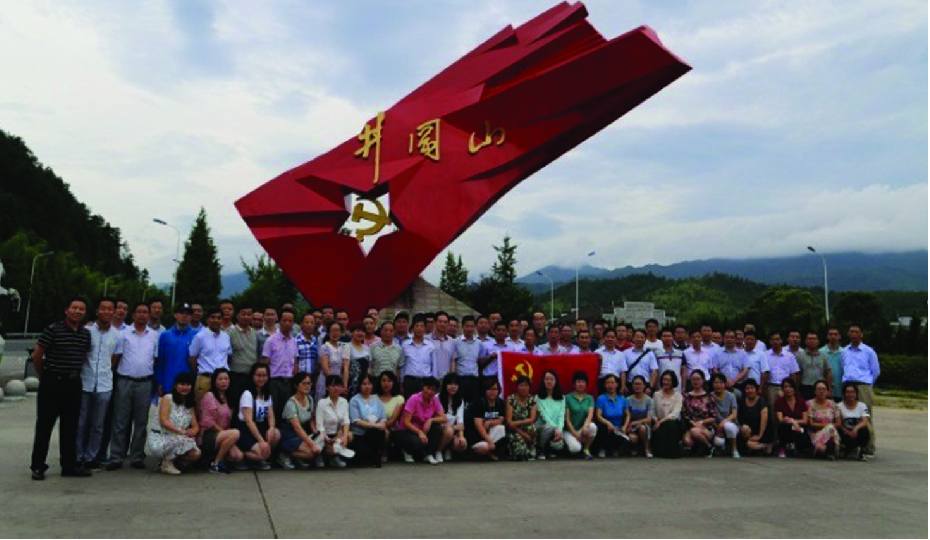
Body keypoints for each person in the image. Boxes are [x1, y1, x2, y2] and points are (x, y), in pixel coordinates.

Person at [30, 296, 93, 480]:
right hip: (52, 382)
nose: (78, 311)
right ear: (67, 310)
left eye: (81, 309)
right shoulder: (53, 329)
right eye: (74, 308)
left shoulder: (85, 334)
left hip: (73, 384)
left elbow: (83, 356)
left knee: (70, 427)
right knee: (44, 426)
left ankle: (69, 466)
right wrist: (44, 376)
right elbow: (37, 355)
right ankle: (38, 466)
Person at [106, 302, 158, 471]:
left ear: (149, 315)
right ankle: (116, 456)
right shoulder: (123, 334)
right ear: (133, 315)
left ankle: (136, 456)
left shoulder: (154, 335)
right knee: (120, 421)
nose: (142, 315)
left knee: (141, 422)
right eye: (139, 312)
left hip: (145, 382)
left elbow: (155, 359)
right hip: (125, 381)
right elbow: (116, 357)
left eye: (145, 312)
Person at [77, 297, 120, 470]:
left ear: (114, 312)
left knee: (98, 424)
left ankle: (91, 457)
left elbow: (114, 359)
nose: (107, 312)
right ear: (97, 311)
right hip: (85, 382)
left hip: (104, 385)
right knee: (81, 423)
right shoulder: (86, 331)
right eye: (103, 308)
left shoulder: (118, 335)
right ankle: (77, 455)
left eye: (110, 309)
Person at [145, 372, 202, 475]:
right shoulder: (168, 398)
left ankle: (173, 462)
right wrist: (182, 432)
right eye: (182, 384)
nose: (185, 387)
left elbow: (195, 426)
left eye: (188, 385)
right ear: (176, 385)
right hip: (161, 437)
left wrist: (192, 431)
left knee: (196, 453)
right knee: (182, 440)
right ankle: (167, 463)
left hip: (179, 437)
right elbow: (164, 421)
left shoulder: (189, 404)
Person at [841, 325, 879, 456]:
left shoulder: (869, 351)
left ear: (861, 334)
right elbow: (843, 367)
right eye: (851, 331)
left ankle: (868, 447)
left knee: (865, 416)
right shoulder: (844, 351)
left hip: (863, 385)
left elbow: (875, 371)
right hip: (848, 384)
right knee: (847, 416)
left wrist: (868, 384)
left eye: (856, 332)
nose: (854, 334)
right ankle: (850, 446)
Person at [235, 363, 280, 470]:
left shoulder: (266, 394)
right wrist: (261, 441)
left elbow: (271, 415)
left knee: (276, 434)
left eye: (264, 375)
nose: (261, 378)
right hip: (246, 430)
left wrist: (271, 428)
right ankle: (245, 457)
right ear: (252, 376)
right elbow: (249, 421)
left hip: (260, 427)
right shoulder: (247, 394)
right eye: (258, 375)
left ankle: (262, 457)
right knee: (261, 452)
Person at [198, 368, 243, 473]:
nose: (224, 382)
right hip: (209, 434)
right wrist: (225, 433)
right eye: (220, 379)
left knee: (238, 456)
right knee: (235, 433)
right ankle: (216, 464)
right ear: (214, 381)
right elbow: (208, 421)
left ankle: (212, 459)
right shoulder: (209, 396)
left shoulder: (228, 397)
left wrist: (226, 434)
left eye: (226, 379)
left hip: (224, 434)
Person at [398, 377, 447, 464]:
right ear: (423, 387)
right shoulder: (414, 398)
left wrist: (431, 420)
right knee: (416, 442)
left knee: (437, 428)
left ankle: (429, 454)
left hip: (424, 429)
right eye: (428, 388)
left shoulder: (435, 400)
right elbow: (406, 422)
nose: (430, 392)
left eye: (433, 390)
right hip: (408, 430)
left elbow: (444, 418)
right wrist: (419, 432)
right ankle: (407, 451)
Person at [261, 308, 298, 421]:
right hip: (274, 381)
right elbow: (265, 362)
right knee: (273, 410)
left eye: (290, 321)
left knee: (287, 411)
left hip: (289, 381)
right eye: (284, 320)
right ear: (279, 322)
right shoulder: (271, 340)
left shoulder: (294, 341)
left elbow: (295, 361)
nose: (287, 323)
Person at [188, 307, 232, 402]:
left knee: (222, 407)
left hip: (223, 380)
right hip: (205, 378)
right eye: (213, 317)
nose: (216, 320)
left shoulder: (226, 337)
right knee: (202, 407)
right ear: (207, 319)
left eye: (219, 318)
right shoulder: (200, 336)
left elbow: (228, 356)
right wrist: (198, 374)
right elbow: (192, 358)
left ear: (222, 320)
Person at [155, 303, 196, 397]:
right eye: (181, 313)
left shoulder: (196, 336)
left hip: (188, 384)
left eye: (188, 314)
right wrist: (159, 382)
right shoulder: (165, 335)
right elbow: (160, 361)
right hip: (168, 382)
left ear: (191, 317)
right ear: (175, 315)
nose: (184, 316)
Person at [315, 375, 355, 468]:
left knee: (349, 435)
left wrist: (344, 437)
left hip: (337, 434)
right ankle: (320, 455)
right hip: (323, 435)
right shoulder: (322, 403)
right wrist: (326, 439)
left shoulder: (344, 402)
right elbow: (319, 426)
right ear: (327, 388)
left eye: (338, 385)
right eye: (333, 386)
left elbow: (346, 421)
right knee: (319, 445)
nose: (336, 388)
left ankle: (334, 457)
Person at [349, 374, 387, 467]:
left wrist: (381, 424)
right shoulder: (354, 400)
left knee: (380, 432)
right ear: (359, 386)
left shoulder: (377, 399)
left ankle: (377, 456)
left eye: (369, 384)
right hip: (360, 434)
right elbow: (356, 421)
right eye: (364, 384)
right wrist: (375, 425)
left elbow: (383, 418)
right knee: (363, 456)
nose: (367, 386)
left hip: (375, 432)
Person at [228, 306, 259, 414]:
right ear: (237, 316)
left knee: (250, 405)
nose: (246, 317)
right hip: (236, 375)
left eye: (249, 314)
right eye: (243, 314)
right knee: (235, 404)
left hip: (251, 376)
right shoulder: (230, 333)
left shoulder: (255, 333)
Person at [466, 378, 507, 460]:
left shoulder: (500, 403)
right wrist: (489, 441)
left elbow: (501, 419)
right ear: (485, 390)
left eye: (495, 389)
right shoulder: (478, 403)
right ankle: (481, 453)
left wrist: (491, 422)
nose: (492, 392)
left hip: (490, 433)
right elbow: (479, 426)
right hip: (477, 436)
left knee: (501, 428)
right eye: (489, 389)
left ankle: (491, 452)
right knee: (485, 447)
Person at [593, 374, 628, 458]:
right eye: (608, 383)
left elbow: (628, 415)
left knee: (628, 440)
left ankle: (614, 449)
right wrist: (607, 423)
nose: (610, 385)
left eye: (612, 382)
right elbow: (598, 415)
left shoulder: (622, 399)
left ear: (617, 384)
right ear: (605, 385)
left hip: (618, 428)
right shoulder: (601, 398)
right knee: (603, 428)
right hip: (606, 427)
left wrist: (625, 426)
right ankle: (602, 449)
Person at [564, 371, 596, 459]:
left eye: (583, 382)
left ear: (586, 384)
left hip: (583, 429)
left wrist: (583, 429)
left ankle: (586, 449)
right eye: (578, 382)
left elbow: (590, 415)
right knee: (575, 449)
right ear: (574, 384)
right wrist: (575, 433)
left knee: (592, 427)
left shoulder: (589, 398)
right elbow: (567, 419)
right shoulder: (567, 397)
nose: (580, 384)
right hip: (569, 430)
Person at [682, 370, 716, 455]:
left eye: (698, 379)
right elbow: (684, 414)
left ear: (703, 380)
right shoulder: (686, 396)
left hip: (706, 427)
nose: (695, 381)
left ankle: (709, 447)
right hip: (691, 425)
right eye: (693, 379)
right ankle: (701, 447)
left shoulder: (709, 396)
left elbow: (713, 417)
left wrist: (702, 422)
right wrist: (693, 423)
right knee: (687, 441)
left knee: (695, 432)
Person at [505, 375, 538, 461]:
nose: (524, 388)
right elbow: (509, 422)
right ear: (517, 387)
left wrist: (516, 422)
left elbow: (532, 419)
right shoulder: (511, 399)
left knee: (532, 428)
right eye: (521, 385)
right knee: (521, 452)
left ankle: (531, 449)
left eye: (526, 385)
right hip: (514, 430)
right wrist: (523, 433)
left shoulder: (532, 399)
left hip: (528, 429)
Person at [535, 370, 566, 459]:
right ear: (543, 381)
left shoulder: (562, 398)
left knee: (560, 445)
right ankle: (540, 449)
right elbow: (544, 416)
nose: (549, 381)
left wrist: (559, 429)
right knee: (549, 428)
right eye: (546, 379)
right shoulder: (538, 397)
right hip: (542, 428)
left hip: (556, 429)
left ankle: (550, 450)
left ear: (556, 381)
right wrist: (556, 429)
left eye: (551, 379)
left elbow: (561, 415)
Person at [652, 370, 684, 458]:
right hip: (658, 423)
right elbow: (653, 411)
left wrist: (661, 421)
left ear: (673, 382)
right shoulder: (656, 395)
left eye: (668, 380)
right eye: (664, 380)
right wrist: (656, 420)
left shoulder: (678, 396)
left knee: (671, 424)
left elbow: (675, 413)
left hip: (673, 423)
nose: (665, 382)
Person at [774, 379, 808, 458]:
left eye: (790, 387)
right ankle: (782, 448)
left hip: (799, 427)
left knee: (802, 430)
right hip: (787, 427)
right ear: (783, 389)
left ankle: (799, 449)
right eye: (785, 387)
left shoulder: (801, 401)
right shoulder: (779, 402)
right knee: (783, 426)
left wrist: (794, 421)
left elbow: (805, 420)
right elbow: (780, 419)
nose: (788, 389)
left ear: (794, 389)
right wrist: (792, 422)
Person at [401, 316, 436, 397]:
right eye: (417, 326)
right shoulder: (405, 344)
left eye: (422, 326)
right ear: (413, 328)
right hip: (409, 381)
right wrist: (401, 382)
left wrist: (433, 383)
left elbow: (434, 366)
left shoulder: (430, 346)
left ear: (425, 328)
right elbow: (402, 365)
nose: (419, 328)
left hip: (425, 382)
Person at [806, 380, 840, 460]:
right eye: (819, 389)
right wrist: (827, 426)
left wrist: (829, 427)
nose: (821, 391)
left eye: (824, 389)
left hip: (831, 433)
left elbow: (838, 423)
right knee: (830, 428)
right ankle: (831, 450)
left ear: (827, 391)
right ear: (815, 391)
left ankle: (826, 450)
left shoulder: (833, 404)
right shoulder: (809, 404)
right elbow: (811, 423)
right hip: (815, 433)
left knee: (830, 429)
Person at [836, 383, 871, 460]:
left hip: (857, 432)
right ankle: (845, 449)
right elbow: (838, 423)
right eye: (847, 392)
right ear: (844, 394)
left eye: (852, 392)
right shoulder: (838, 406)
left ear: (856, 394)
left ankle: (862, 451)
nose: (850, 394)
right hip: (845, 432)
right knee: (837, 430)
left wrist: (856, 429)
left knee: (865, 429)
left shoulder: (862, 405)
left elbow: (865, 421)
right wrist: (847, 431)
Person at [453, 316, 484, 401]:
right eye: (467, 326)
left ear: (475, 327)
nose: (469, 329)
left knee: (473, 404)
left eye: (472, 326)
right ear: (462, 327)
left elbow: (480, 361)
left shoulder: (479, 343)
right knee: (460, 403)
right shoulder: (456, 342)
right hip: (460, 379)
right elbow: (454, 361)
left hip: (474, 380)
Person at [709, 373, 740, 458]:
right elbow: (710, 414)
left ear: (725, 384)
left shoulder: (731, 396)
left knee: (729, 427)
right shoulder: (710, 396)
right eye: (716, 382)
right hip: (715, 425)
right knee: (719, 442)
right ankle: (717, 449)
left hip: (730, 423)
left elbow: (734, 414)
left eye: (721, 382)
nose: (718, 385)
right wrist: (717, 426)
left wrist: (723, 423)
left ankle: (734, 449)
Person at [737, 379, 771, 455]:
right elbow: (739, 418)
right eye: (747, 388)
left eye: (752, 388)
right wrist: (744, 430)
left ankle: (764, 446)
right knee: (745, 434)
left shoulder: (762, 401)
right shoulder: (742, 401)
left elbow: (764, 420)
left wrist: (759, 436)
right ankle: (758, 448)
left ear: (756, 389)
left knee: (750, 444)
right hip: (748, 433)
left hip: (762, 432)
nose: (750, 390)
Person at [377, 371, 405, 463]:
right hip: (374, 425)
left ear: (394, 383)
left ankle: (384, 453)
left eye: (389, 381)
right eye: (383, 380)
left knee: (385, 432)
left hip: (392, 428)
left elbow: (393, 420)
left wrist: (381, 426)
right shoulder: (374, 397)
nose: (386, 383)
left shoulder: (399, 399)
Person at [318, 322, 350, 403]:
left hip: (339, 381)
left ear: (341, 332)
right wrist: (333, 385)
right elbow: (325, 368)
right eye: (333, 330)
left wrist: (344, 386)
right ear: (328, 333)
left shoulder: (344, 347)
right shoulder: (324, 347)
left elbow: (346, 368)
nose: (335, 333)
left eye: (337, 330)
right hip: (326, 381)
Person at [439, 373, 467, 461]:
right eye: (450, 384)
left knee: (462, 444)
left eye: (456, 384)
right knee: (449, 431)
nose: (453, 386)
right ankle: (438, 451)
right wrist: (453, 427)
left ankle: (447, 448)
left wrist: (461, 436)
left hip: (451, 429)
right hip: (438, 429)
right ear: (445, 385)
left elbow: (460, 423)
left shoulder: (460, 400)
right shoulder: (437, 398)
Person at [625, 376, 654, 458]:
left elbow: (649, 419)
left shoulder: (649, 400)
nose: (637, 386)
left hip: (645, 426)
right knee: (632, 438)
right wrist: (628, 426)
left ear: (644, 385)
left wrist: (637, 422)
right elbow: (627, 416)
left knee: (642, 428)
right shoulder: (628, 400)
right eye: (635, 384)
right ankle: (635, 448)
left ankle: (647, 449)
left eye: (639, 384)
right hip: (632, 427)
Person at [796, 332, 831, 400]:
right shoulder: (800, 356)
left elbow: (828, 372)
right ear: (806, 341)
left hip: (820, 387)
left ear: (818, 341)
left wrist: (829, 389)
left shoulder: (823, 356)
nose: (812, 341)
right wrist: (797, 389)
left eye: (814, 339)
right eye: (809, 339)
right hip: (805, 387)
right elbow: (798, 374)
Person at [713, 330, 749, 395]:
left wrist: (734, 380)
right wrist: (724, 380)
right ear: (723, 339)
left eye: (732, 337)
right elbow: (715, 369)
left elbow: (745, 370)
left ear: (735, 339)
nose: (729, 339)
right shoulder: (717, 353)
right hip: (722, 385)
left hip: (738, 384)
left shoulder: (742, 353)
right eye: (727, 337)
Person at [346, 322, 371, 397]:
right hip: (352, 383)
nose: (360, 333)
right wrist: (345, 385)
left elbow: (369, 368)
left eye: (363, 331)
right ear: (351, 333)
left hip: (364, 384)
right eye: (357, 331)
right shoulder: (347, 347)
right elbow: (345, 368)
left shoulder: (367, 348)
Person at [820, 328, 844, 401]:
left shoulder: (844, 352)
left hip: (841, 389)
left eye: (835, 334)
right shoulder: (821, 352)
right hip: (825, 390)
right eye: (830, 334)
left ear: (839, 336)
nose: (833, 336)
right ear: (827, 336)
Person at [429, 312, 456, 379]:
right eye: (440, 321)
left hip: (446, 379)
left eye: (445, 322)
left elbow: (452, 361)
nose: (442, 324)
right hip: (430, 378)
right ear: (435, 323)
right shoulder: (427, 339)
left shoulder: (452, 341)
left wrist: (451, 378)